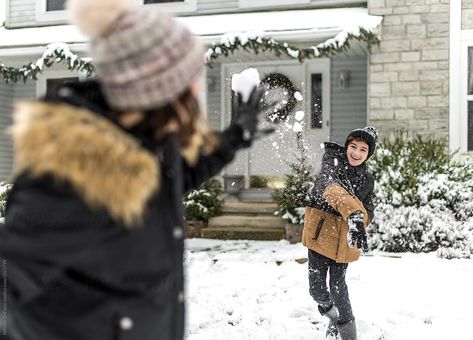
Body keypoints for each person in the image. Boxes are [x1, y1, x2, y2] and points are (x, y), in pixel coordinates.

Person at [0, 0, 272, 339]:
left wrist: (234, 138)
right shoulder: (65, 180)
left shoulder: (148, 146)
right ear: (156, 91)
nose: (197, 91)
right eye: (189, 83)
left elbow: (176, 180)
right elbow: (17, 298)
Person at [302, 127, 378, 340]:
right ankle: (333, 317)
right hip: (321, 235)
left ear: (368, 154)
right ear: (346, 146)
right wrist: (353, 212)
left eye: (363, 150)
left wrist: (361, 220)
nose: (356, 153)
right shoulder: (332, 163)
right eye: (353, 146)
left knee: (338, 288)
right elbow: (330, 189)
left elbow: (369, 209)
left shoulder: (367, 179)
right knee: (316, 290)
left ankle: (348, 335)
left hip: (344, 241)